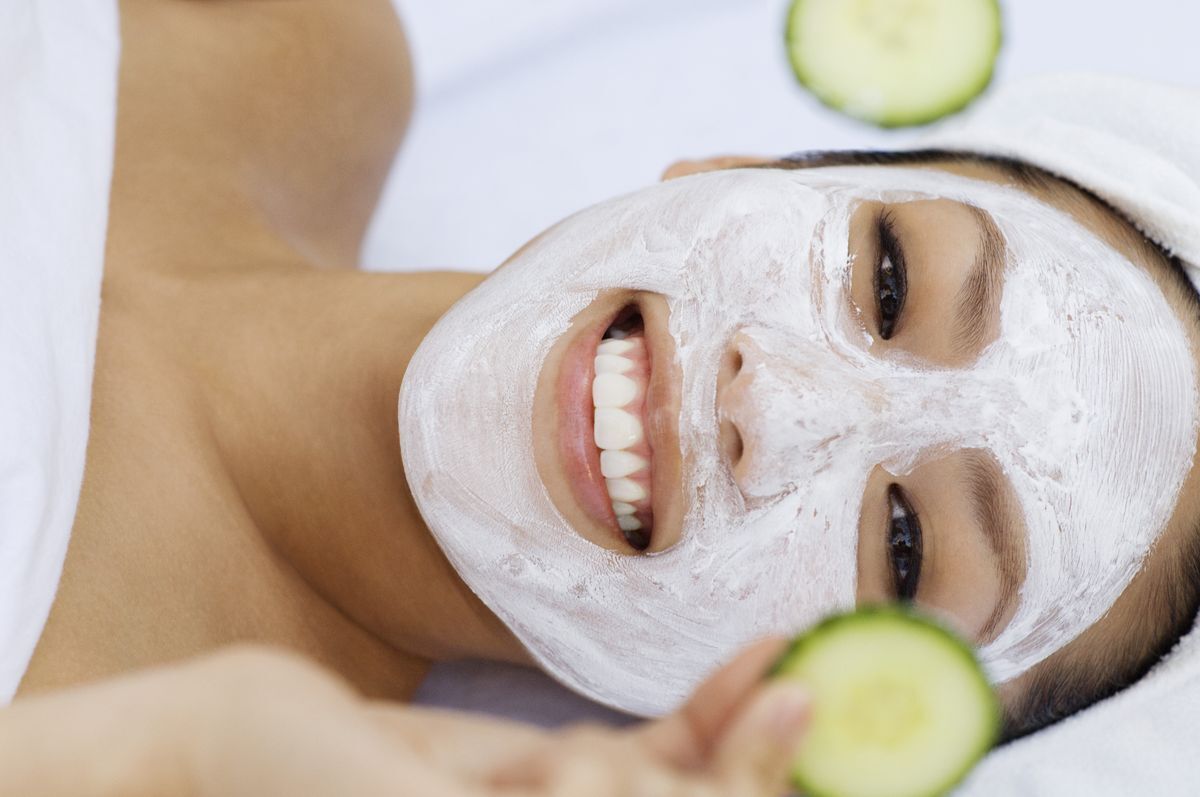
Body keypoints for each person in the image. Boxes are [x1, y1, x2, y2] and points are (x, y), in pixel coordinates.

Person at [3, 1, 1198, 794]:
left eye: (903, 543)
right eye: (887, 284)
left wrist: (178, 753)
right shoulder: (298, 43)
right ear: (737, 168)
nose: (775, 407)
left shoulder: (183, 759)